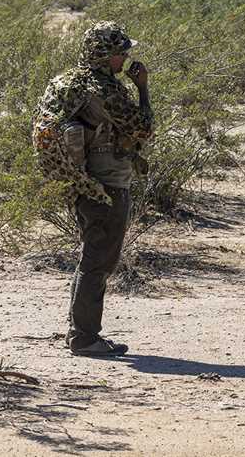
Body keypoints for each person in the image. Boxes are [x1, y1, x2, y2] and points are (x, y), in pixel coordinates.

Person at [32, 21, 154, 356]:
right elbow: (143, 128)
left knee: (93, 255)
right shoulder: (104, 89)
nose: (126, 58)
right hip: (106, 184)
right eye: (121, 52)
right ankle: (84, 338)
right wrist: (142, 88)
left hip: (80, 180)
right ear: (106, 55)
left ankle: (81, 332)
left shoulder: (64, 82)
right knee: (98, 259)